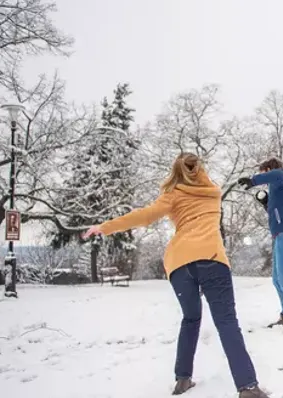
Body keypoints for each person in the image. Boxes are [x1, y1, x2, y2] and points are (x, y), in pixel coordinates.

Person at [82, 153, 268, 398]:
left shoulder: (174, 194)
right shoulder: (213, 192)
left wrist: (104, 227)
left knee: (190, 319)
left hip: (180, 264)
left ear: (177, 171)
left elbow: (144, 216)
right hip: (211, 259)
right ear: (200, 170)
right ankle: (247, 387)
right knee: (226, 322)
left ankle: (182, 379)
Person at [238, 158, 283, 331]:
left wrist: (252, 181)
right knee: (277, 279)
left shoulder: (282, 176)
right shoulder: (282, 187)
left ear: (269, 169)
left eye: (263, 173)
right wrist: (267, 204)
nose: (263, 178)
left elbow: (276, 174)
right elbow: (279, 210)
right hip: (281, 233)